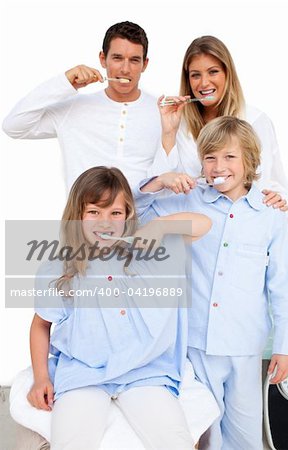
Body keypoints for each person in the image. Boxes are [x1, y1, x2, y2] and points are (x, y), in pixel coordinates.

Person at [134, 116, 288, 450]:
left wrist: (285, 346)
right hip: (196, 343)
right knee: (205, 432)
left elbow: (281, 288)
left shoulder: (270, 217)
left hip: (244, 345)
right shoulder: (190, 200)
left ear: (250, 161)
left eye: (229, 157)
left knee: (245, 436)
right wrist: (159, 181)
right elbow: (137, 214)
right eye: (210, 157)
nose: (218, 166)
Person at [27, 165, 213, 450]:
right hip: (84, 374)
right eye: (94, 213)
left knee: (174, 441)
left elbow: (203, 224)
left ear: (127, 216)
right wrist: (41, 378)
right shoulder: (58, 267)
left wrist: (160, 226)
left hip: (144, 372)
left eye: (115, 213)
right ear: (77, 216)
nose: (105, 223)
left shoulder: (147, 251)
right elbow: (41, 324)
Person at [2, 21, 160, 191]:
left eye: (134, 60)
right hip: (82, 215)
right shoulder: (74, 108)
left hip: (142, 215)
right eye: (117, 58)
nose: (125, 69)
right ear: (103, 59)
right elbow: (13, 126)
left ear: (145, 64)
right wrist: (65, 82)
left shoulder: (162, 111)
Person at [150, 35, 288, 217]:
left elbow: (269, 183)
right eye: (195, 75)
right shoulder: (178, 123)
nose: (204, 83)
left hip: (239, 224)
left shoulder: (254, 120)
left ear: (228, 74)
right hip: (191, 229)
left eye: (213, 72)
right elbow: (158, 191)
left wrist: (278, 199)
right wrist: (169, 133)